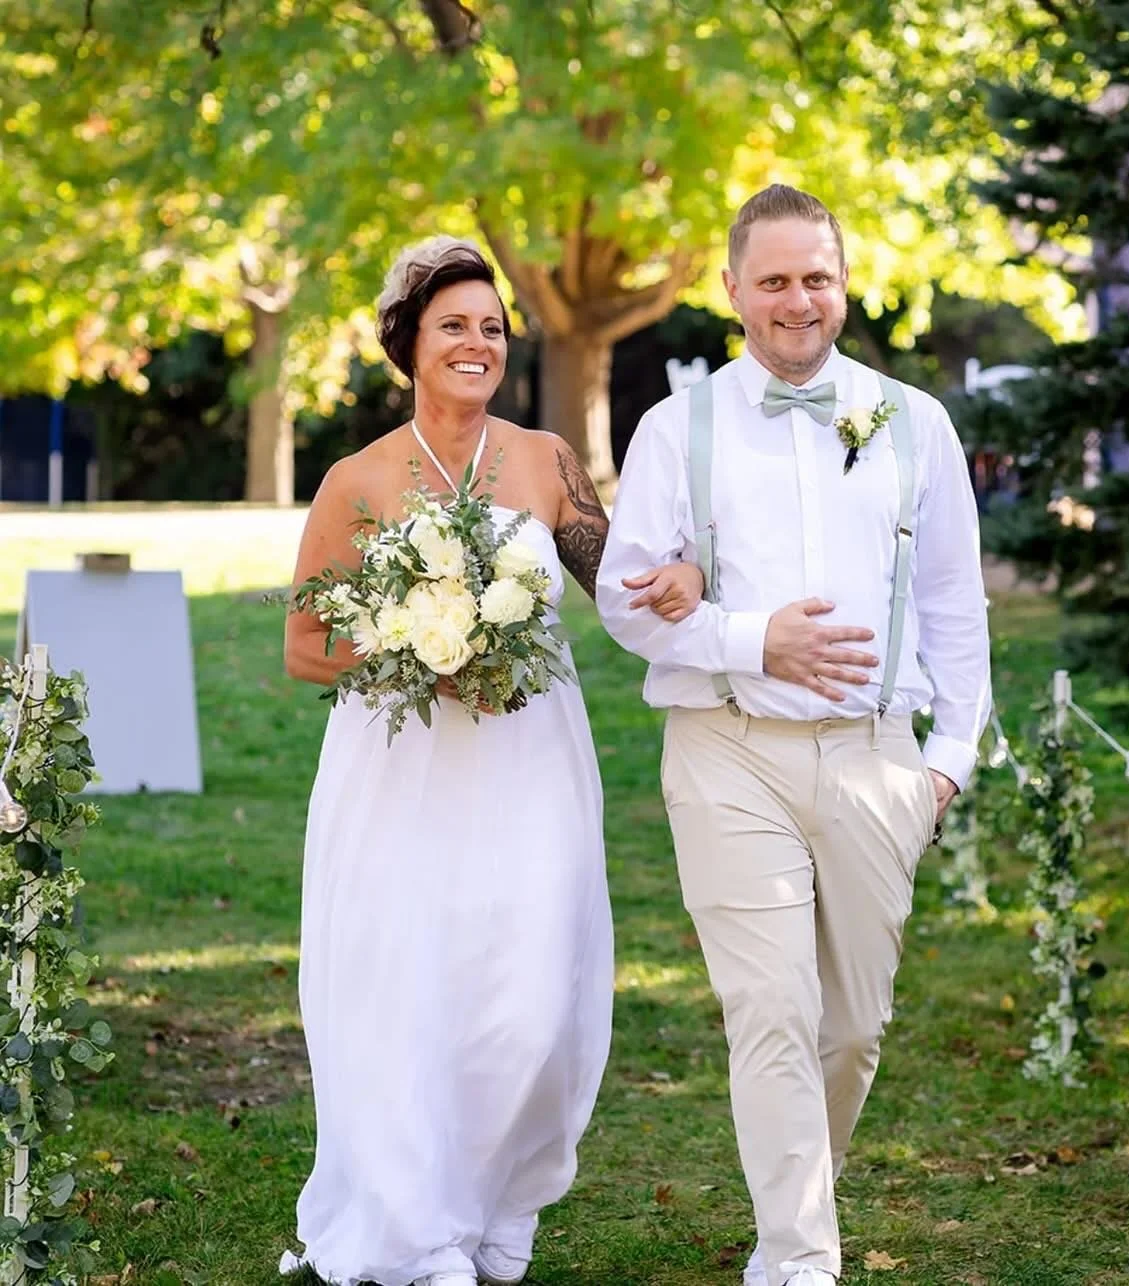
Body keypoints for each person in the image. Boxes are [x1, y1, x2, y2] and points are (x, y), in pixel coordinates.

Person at [280, 236, 703, 1286]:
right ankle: (421, 1230)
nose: (477, 343)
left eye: (491, 327)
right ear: (408, 343)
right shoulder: (358, 478)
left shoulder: (544, 458)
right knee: (408, 985)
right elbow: (303, 645)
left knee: (530, 994)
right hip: (400, 773)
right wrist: (420, 644)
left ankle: (501, 1203)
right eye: (453, 325)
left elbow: (617, 577)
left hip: (529, 761)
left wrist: (681, 574)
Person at [597, 185, 992, 1286]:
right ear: (730, 291)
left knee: (852, 1026)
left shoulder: (914, 422)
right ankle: (800, 1256)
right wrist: (742, 638)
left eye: (813, 276)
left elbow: (957, 603)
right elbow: (627, 602)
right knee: (770, 1006)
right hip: (725, 748)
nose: (795, 300)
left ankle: (791, 1218)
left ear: (843, 281)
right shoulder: (676, 430)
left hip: (876, 756)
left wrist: (947, 761)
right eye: (770, 279)